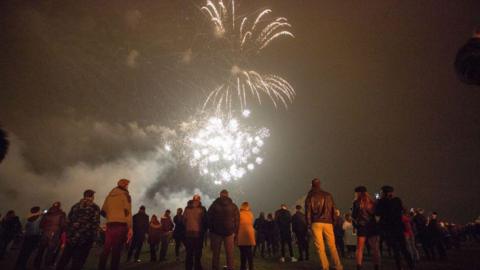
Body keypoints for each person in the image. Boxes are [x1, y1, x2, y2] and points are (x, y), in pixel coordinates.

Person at [57, 189, 101, 270]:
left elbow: (69, 220)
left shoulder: (75, 206)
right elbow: (95, 223)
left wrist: (69, 233)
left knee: (65, 258)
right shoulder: (95, 207)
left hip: (72, 237)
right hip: (85, 238)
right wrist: (95, 238)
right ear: (92, 197)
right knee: (79, 260)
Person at [305, 178, 343, 270]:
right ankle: (338, 266)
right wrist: (334, 222)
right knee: (332, 246)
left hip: (316, 222)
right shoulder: (328, 195)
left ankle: (325, 266)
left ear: (312, 185)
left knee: (320, 247)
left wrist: (309, 224)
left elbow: (308, 212)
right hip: (328, 222)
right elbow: (333, 209)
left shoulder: (310, 196)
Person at [375, 185, 414, 270]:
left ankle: (399, 267)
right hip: (399, 227)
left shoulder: (381, 202)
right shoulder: (397, 200)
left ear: (384, 193)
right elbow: (403, 210)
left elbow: (377, 216)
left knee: (396, 250)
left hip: (388, 229)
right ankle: (411, 265)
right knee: (404, 248)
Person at [98, 179, 133, 270]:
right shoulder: (125, 195)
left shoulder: (109, 196)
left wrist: (104, 224)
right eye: (127, 185)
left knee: (106, 248)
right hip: (120, 225)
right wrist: (130, 227)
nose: (128, 186)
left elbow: (103, 212)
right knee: (117, 250)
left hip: (110, 225)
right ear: (124, 185)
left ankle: (101, 267)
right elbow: (128, 212)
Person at [207, 189, 239, 270]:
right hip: (229, 233)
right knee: (230, 254)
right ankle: (230, 268)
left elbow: (208, 217)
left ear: (220, 195)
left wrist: (212, 229)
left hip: (216, 233)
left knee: (216, 254)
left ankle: (215, 268)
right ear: (228, 195)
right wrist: (234, 231)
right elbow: (237, 220)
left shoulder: (214, 205)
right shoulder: (233, 206)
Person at [351, 186, 380, 270]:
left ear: (358, 193)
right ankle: (376, 266)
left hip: (362, 226)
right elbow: (377, 214)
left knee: (360, 249)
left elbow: (354, 216)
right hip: (372, 226)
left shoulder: (356, 202)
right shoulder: (372, 202)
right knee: (375, 248)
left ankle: (359, 267)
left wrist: (356, 224)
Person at [34, 202, 67, 269]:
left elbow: (41, 225)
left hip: (45, 233)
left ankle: (36, 265)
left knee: (41, 250)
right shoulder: (61, 214)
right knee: (50, 251)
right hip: (54, 235)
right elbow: (63, 225)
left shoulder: (46, 214)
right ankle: (47, 266)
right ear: (59, 206)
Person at [183, 194, 208, 270]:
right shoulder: (202, 209)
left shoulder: (187, 208)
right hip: (198, 233)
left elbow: (184, 220)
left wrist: (187, 226)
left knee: (190, 252)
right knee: (197, 252)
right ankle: (197, 266)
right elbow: (205, 221)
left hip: (189, 233)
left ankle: (189, 267)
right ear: (199, 200)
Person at [237, 202, 256, 270]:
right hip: (250, 235)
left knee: (243, 253)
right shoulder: (251, 214)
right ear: (247, 207)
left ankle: (243, 267)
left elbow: (237, 223)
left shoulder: (239, 214)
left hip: (242, 235)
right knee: (249, 253)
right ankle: (250, 267)